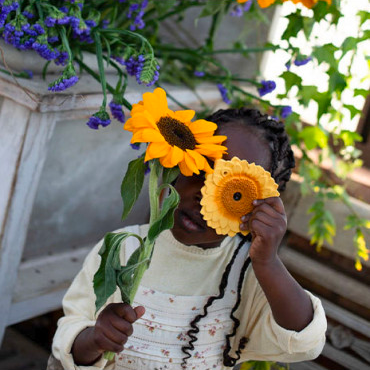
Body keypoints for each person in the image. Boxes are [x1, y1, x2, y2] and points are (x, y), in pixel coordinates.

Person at [52, 108, 327, 370]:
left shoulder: (248, 271)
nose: (203, 194)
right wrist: (96, 339)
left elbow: (305, 341)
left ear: (257, 209)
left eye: (232, 192)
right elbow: (68, 339)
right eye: (200, 170)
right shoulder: (122, 248)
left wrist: (267, 262)